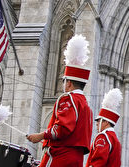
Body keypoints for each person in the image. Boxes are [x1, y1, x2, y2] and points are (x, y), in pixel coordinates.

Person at [27, 35, 94, 167]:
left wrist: (41, 136)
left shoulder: (68, 98)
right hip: (76, 160)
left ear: (69, 83)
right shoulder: (86, 106)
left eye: (64, 80)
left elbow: (62, 129)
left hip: (61, 156)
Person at [85, 88, 122, 167]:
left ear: (106, 122)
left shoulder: (103, 137)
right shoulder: (115, 139)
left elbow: (98, 162)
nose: (97, 124)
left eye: (99, 120)